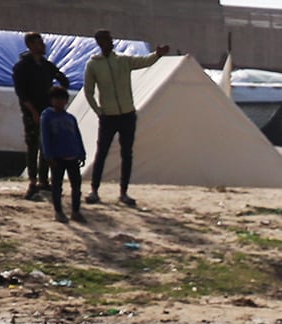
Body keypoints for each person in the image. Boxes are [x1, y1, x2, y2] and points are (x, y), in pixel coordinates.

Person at [82, 28, 170, 208]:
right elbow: (88, 91)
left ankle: (123, 192)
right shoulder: (93, 65)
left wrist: (157, 55)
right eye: (107, 39)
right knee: (102, 153)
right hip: (108, 116)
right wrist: (99, 111)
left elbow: (143, 61)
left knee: (126, 154)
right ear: (100, 42)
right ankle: (94, 190)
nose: (111, 42)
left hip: (127, 114)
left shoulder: (122, 61)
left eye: (111, 39)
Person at [11, 33, 69, 201]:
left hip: (47, 111)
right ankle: (33, 181)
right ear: (30, 45)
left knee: (46, 146)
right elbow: (21, 93)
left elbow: (63, 80)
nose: (42, 46)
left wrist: (57, 99)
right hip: (32, 112)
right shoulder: (22, 67)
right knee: (33, 145)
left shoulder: (46, 66)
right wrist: (34, 112)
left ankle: (44, 180)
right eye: (38, 43)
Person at [37, 88, 86, 223]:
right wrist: (48, 155)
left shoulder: (70, 118)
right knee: (57, 185)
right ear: (51, 100)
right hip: (57, 157)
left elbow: (77, 136)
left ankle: (76, 211)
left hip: (72, 155)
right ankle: (58, 211)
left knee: (76, 185)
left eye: (62, 99)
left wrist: (81, 153)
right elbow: (45, 138)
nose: (59, 102)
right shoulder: (47, 116)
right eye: (56, 99)